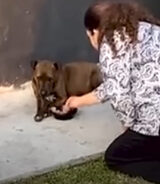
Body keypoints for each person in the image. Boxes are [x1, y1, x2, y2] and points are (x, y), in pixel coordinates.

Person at [63, 1, 160, 183]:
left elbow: (119, 95)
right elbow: (114, 83)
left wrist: (128, 125)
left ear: (94, 31)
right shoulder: (150, 30)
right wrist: (79, 101)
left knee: (116, 156)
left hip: (154, 123)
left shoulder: (111, 44)